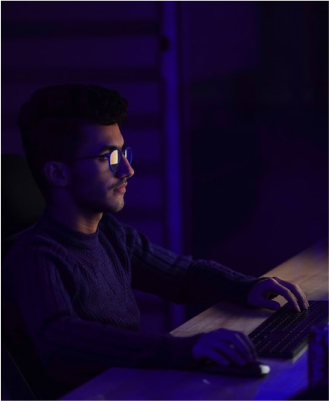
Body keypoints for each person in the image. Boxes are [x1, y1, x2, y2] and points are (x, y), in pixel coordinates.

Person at [2, 84, 309, 399]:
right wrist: (183, 349)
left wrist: (247, 287)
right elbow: (62, 337)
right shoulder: (35, 256)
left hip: (130, 388)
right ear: (57, 173)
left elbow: (181, 274)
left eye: (124, 152)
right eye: (108, 158)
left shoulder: (109, 233)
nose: (127, 169)